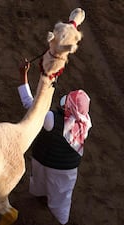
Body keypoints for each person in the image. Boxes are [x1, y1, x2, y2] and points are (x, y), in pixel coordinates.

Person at [18, 59, 92, 225]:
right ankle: (61, 219)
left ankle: (39, 197)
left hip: (42, 160)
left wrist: (23, 76)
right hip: (66, 169)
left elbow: (29, 103)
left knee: (39, 182)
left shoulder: (51, 119)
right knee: (62, 196)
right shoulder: (86, 121)